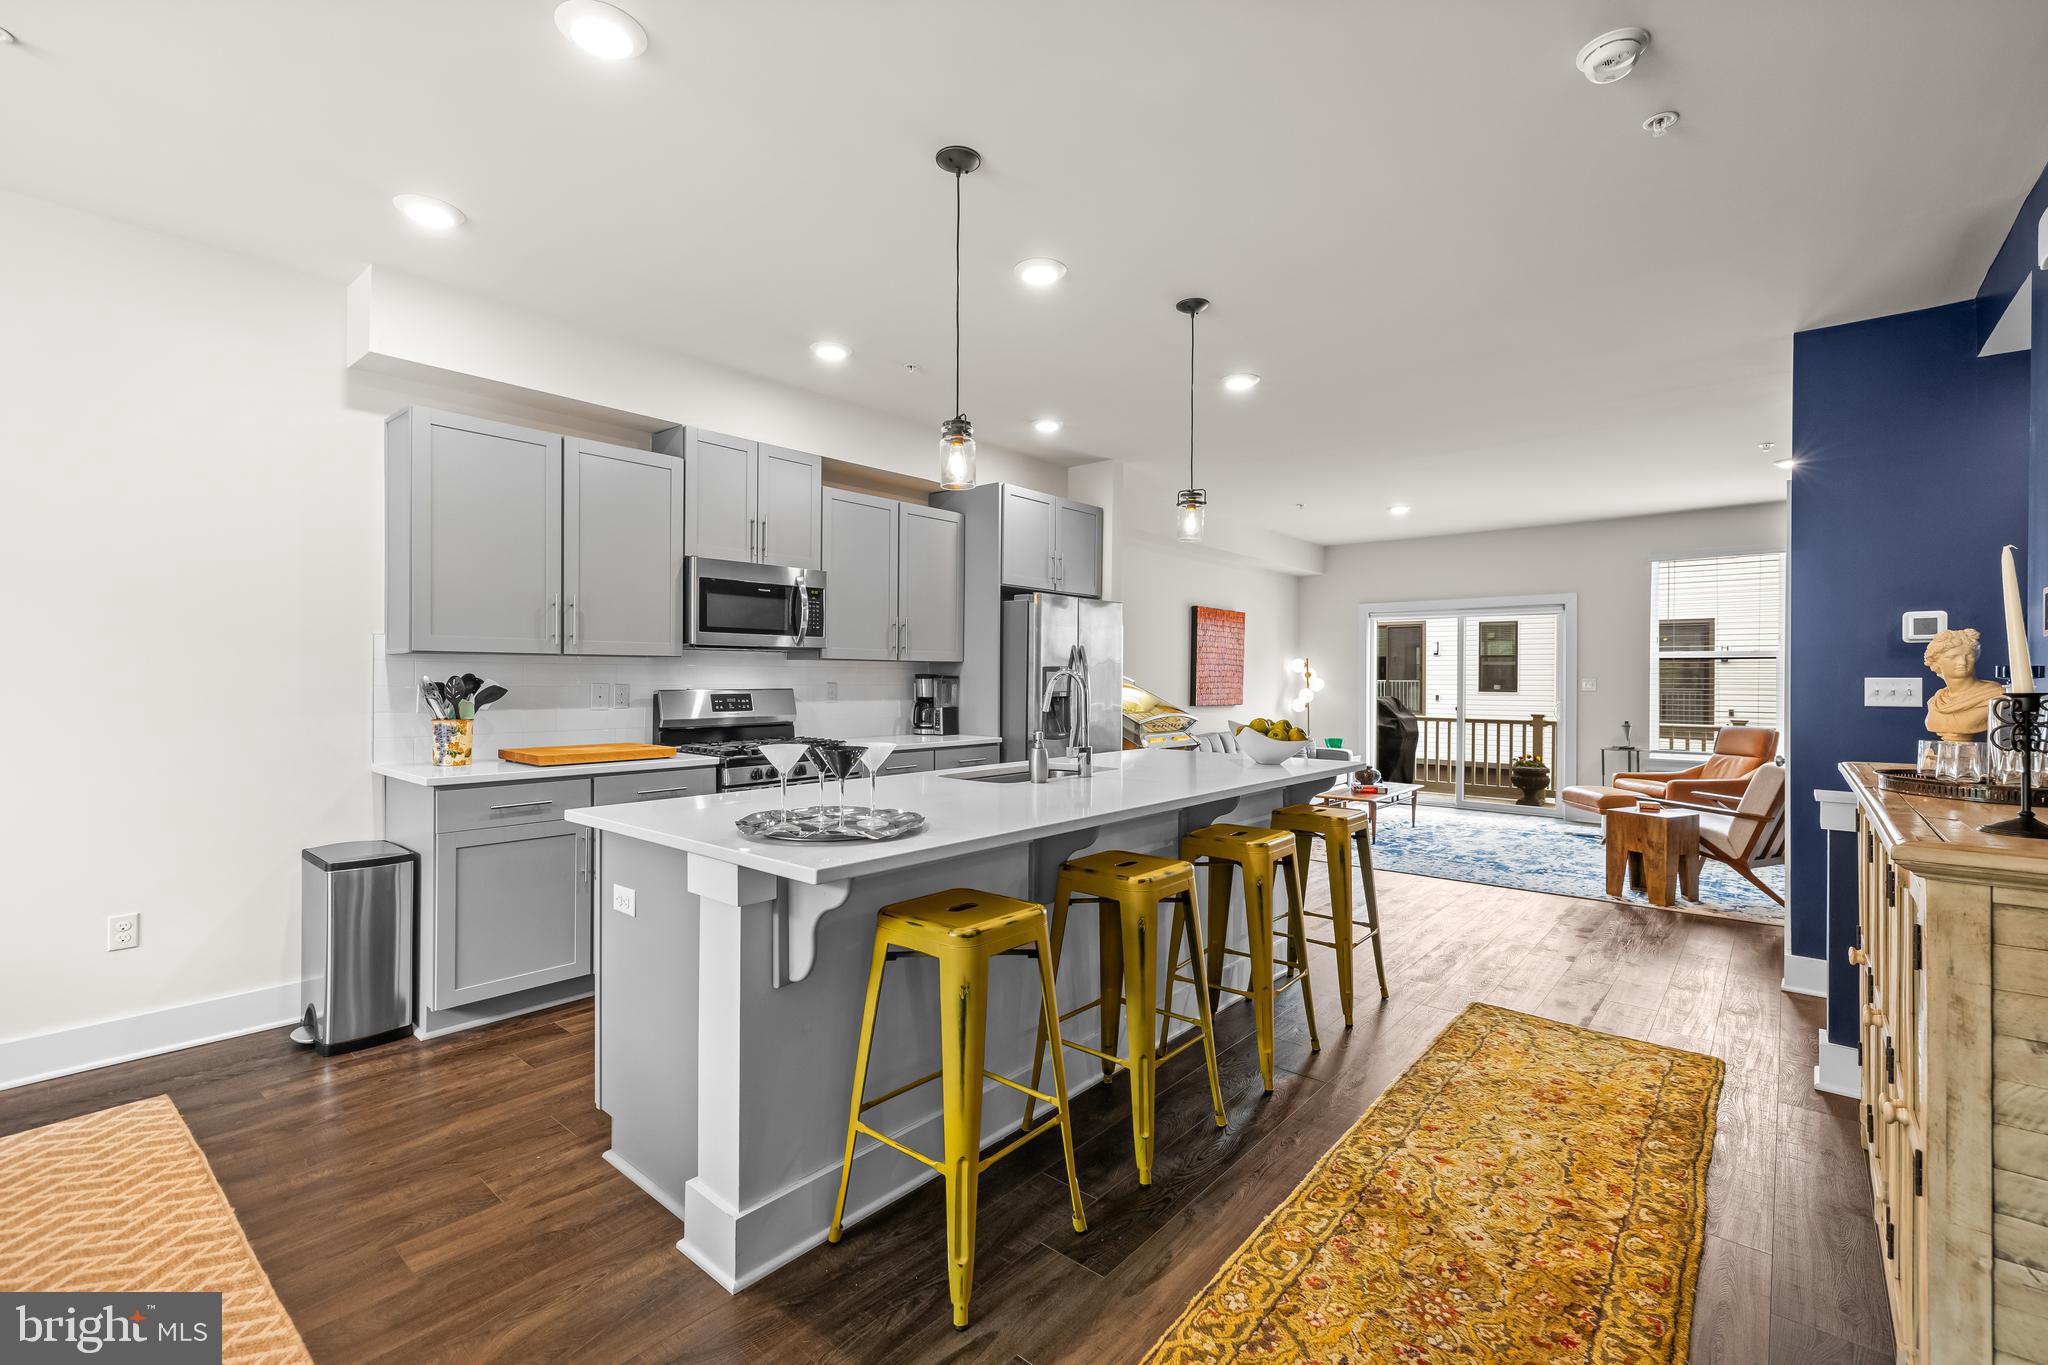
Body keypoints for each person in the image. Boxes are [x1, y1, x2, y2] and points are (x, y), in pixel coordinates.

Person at [1923, 627, 2004, 741]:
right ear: (1936, 662)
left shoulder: (1995, 697)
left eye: (1969, 656)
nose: (1962, 662)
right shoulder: (1935, 701)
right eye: (1953, 657)